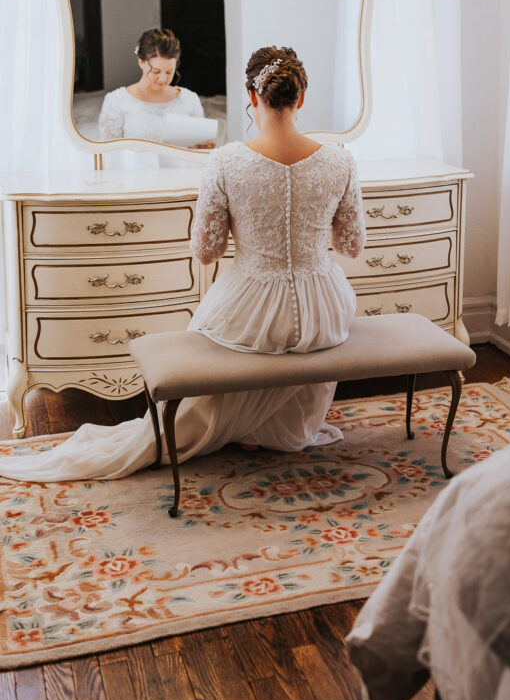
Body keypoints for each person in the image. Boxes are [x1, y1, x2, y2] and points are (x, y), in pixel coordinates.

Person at [0, 46, 366, 482]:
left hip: (254, 304)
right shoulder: (340, 160)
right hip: (323, 308)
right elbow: (351, 244)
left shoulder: (228, 161)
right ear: (300, 99)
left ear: (252, 97)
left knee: (221, 327)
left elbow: (206, 250)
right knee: (291, 330)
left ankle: (242, 426)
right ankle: (278, 428)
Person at [97, 28, 215, 149]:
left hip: (181, 167)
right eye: (156, 71)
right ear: (141, 62)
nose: (163, 79)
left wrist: (204, 147)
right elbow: (109, 155)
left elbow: (200, 152)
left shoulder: (190, 100)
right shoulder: (116, 101)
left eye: (169, 72)